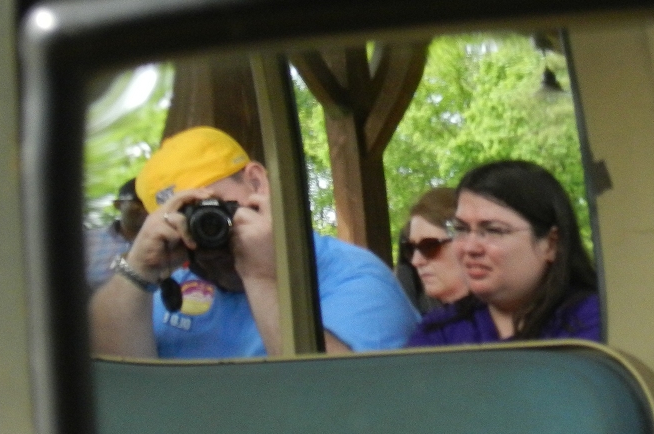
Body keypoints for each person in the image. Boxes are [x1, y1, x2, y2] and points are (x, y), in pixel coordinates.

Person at [90, 126, 419, 358]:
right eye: (187, 218)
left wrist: (262, 277)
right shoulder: (174, 283)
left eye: (217, 207)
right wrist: (137, 272)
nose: (207, 232)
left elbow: (346, 402)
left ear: (257, 182)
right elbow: (121, 390)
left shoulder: (350, 276)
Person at [407, 160, 600, 346]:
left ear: (551, 244)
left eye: (493, 230)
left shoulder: (597, 321)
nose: (470, 247)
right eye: (462, 229)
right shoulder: (440, 331)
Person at [395, 187, 468, 312]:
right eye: (411, 248)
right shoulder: (429, 328)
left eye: (429, 246)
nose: (416, 261)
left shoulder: (506, 321)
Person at [83, 178, 147, 292]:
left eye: (150, 202)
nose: (146, 208)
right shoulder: (89, 241)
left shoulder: (167, 243)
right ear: (118, 205)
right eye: (138, 201)